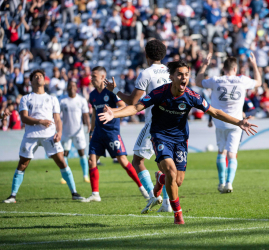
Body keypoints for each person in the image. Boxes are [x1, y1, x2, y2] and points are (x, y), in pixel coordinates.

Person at [98, 60, 258, 224]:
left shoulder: (191, 96)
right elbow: (137, 107)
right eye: (180, 74)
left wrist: (239, 122)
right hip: (160, 136)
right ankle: (178, 214)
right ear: (171, 77)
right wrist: (114, 114)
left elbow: (215, 112)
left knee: (178, 180)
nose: (184, 78)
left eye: (186, 75)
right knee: (171, 172)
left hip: (180, 140)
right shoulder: (159, 92)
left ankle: (161, 180)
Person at [105, 39, 171, 213]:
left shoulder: (146, 73)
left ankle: (153, 195)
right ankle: (167, 203)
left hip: (154, 122)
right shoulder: (171, 72)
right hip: (172, 121)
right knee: (163, 163)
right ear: (163, 54)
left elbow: (133, 103)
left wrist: (114, 90)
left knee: (137, 160)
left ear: (147, 55)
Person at [3, 69, 84, 203]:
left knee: (62, 162)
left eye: (41, 76)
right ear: (31, 81)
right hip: (31, 135)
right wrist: (40, 121)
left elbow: (57, 119)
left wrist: (59, 132)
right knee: (22, 164)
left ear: (44, 80)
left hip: (49, 135)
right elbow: (24, 118)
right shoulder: (26, 98)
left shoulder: (52, 98)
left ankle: (74, 193)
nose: (39, 78)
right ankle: (12, 195)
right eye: (36, 76)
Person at [195, 52, 261, 193]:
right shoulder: (242, 80)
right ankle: (229, 183)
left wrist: (205, 64)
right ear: (235, 69)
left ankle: (221, 182)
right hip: (237, 122)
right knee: (232, 153)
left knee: (221, 152)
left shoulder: (216, 80)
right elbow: (259, 82)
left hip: (220, 121)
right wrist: (254, 64)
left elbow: (198, 82)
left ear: (223, 68)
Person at [81, 66, 149, 203]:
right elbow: (94, 113)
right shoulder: (93, 95)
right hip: (98, 133)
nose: (91, 79)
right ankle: (95, 194)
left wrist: (112, 110)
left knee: (123, 161)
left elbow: (124, 106)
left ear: (102, 77)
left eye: (94, 76)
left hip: (112, 132)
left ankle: (143, 188)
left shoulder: (111, 92)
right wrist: (92, 130)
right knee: (91, 161)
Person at [59, 79, 91, 185]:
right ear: (67, 87)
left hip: (78, 131)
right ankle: (64, 176)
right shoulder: (62, 101)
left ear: (76, 88)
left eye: (74, 85)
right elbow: (57, 116)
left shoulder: (81, 100)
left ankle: (85, 176)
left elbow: (86, 114)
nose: (72, 87)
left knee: (82, 153)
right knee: (64, 154)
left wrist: (89, 124)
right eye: (70, 86)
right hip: (66, 132)